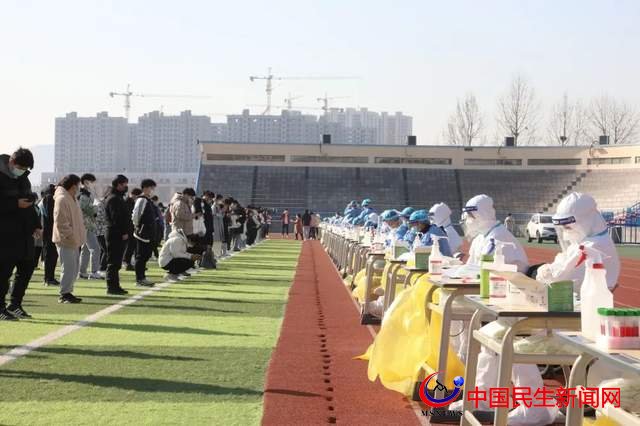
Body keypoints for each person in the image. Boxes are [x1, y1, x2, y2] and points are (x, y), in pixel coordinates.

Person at [450, 194, 550, 425]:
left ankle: (534, 407)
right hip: (500, 305)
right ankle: (485, 400)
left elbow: (488, 273)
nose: (468, 221)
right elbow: (474, 269)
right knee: (488, 344)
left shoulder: (499, 239)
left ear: (480, 215)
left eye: (471, 216)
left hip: (517, 307)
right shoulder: (483, 238)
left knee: (506, 346)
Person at [0, 148, 40, 320]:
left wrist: (36, 225)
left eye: (25, 169)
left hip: (24, 233)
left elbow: (30, 204)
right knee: (3, 272)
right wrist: (15, 204)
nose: (22, 171)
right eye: (21, 167)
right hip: (5, 234)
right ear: (12, 162)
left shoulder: (24, 178)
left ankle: (15, 304)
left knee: (27, 268)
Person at [52, 174, 86, 304]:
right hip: (65, 240)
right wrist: (70, 235)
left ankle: (68, 291)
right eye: (78, 185)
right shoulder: (62, 199)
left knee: (73, 268)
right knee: (68, 268)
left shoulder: (72, 198)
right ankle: (64, 293)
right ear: (73, 186)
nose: (79, 188)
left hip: (74, 239)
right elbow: (61, 222)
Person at [105, 175, 130, 295]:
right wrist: (123, 232)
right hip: (115, 234)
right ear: (118, 184)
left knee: (117, 261)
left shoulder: (118, 198)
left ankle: (116, 285)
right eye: (124, 184)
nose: (126, 186)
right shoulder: (113, 199)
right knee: (113, 261)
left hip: (117, 233)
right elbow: (117, 218)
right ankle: (111, 287)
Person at [131, 179, 158, 287]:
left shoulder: (148, 200)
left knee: (145, 256)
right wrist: (138, 227)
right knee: (141, 256)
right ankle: (139, 279)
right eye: (151, 188)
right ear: (145, 188)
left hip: (148, 233)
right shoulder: (142, 200)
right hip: (142, 233)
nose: (152, 190)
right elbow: (136, 215)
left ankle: (142, 277)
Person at [78, 173, 103, 280]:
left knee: (86, 249)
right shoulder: (83, 195)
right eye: (91, 182)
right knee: (95, 248)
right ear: (85, 182)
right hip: (86, 224)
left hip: (86, 224)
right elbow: (87, 209)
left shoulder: (85, 193)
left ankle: (82, 272)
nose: (93, 184)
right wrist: (96, 206)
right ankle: (94, 272)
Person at [40, 184, 60, 286]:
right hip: (50, 231)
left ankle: (50, 277)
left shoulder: (47, 198)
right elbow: (51, 216)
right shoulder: (49, 198)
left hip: (49, 231)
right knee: (50, 256)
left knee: (52, 255)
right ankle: (48, 278)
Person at [123, 188, 141, 271]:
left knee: (132, 246)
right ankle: (127, 262)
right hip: (129, 228)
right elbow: (127, 217)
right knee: (129, 246)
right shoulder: (128, 202)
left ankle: (128, 262)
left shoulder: (131, 202)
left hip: (132, 227)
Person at [95, 187, 109, 276]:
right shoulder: (100, 204)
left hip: (104, 230)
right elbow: (98, 218)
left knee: (103, 250)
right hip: (100, 231)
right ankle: (102, 268)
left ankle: (101, 268)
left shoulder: (106, 204)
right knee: (106, 250)